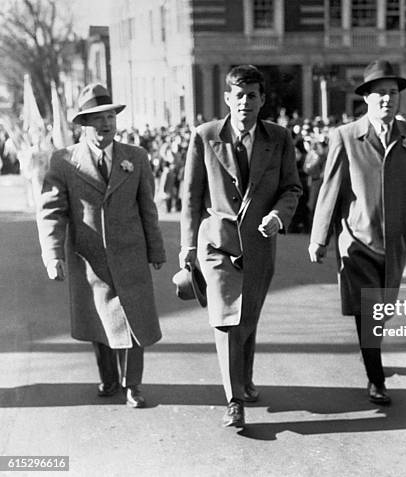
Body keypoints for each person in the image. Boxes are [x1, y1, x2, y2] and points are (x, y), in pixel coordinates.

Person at [179, 65, 302, 427]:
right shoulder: (204, 136)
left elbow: (292, 188)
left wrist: (278, 216)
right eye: (239, 95)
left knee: (247, 319)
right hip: (216, 244)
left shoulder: (278, 138)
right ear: (227, 98)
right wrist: (187, 246)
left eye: (252, 95)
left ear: (263, 99)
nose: (245, 102)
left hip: (261, 244)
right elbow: (191, 195)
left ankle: (244, 381)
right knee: (226, 321)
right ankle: (234, 401)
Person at [309, 60, 406, 405]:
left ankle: (373, 357)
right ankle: (376, 378)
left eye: (392, 93)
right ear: (366, 98)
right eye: (379, 93)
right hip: (358, 240)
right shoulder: (346, 136)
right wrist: (319, 237)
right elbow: (330, 189)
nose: (386, 99)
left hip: (394, 243)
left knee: (382, 310)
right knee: (370, 310)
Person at [36, 83, 166, 408]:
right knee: (99, 321)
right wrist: (53, 256)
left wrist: (156, 249)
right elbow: (52, 211)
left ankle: (133, 385)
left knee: (134, 319)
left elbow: (147, 206)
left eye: (109, 117)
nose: (105, 124)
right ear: (82, 124)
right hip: (89, 257)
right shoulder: (64, 161)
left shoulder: (135, 157)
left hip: (130, 253)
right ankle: (109, 377)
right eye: (96, 119)